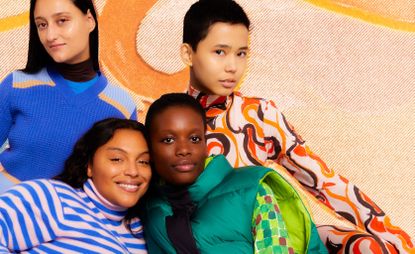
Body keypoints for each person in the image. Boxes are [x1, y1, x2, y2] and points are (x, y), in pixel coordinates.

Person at [179, 0, 414, 253]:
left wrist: (398, 240)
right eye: (220, 52)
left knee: (371, 247)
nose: (233, 66)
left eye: (242, 53)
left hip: (281, 233)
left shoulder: (259, 115)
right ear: (188, 54)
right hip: (221, 244)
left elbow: (323, 181)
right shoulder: (163, 125)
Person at [143, 93, 327, 253]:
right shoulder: (149, 207)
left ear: (205, 144)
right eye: (168, 140)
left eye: (194, 138)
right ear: (149, 148)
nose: (184, 149)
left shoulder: (252, 190)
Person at [0, 0, 137, 192]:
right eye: (42, 24)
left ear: (90, 20)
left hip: (74, 220)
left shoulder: (121, 106)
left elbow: (120, 184)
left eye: (62, 20)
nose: (50, 35)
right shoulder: (17, 84)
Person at [0, 118, 150, 253]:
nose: (133, 171)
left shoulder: (142, 231)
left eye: (143, 161)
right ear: (89, 165)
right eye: (117, 159)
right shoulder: (53, 198)